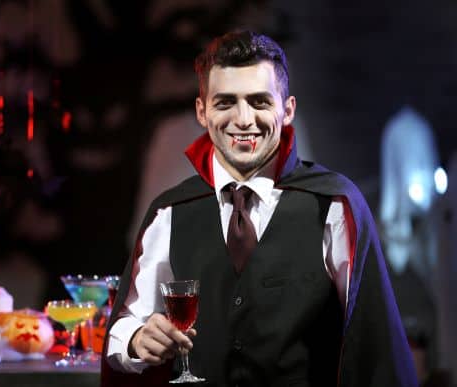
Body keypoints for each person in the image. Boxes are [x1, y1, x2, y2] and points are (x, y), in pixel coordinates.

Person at [100, 30, 418, 387]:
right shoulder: (169, 212)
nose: (243, 119)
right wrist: (136, 339)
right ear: (202, 112)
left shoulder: (334, 206)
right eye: (225, 103)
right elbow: (124, 325)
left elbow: (375, 349)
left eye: (259, 102)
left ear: (287, 110)